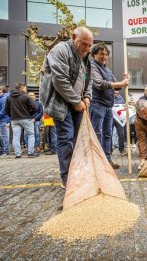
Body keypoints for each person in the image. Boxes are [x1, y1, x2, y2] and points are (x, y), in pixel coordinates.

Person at [39, 26, 93, 189]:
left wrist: (87, 96)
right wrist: (76, 101)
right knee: (66, 138)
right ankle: (68, 178)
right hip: (61, 104)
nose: (87, 48)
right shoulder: (60, 50)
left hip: (78, 104)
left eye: (90, 45)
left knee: (78, 140)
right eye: (84, 44)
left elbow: (87, 79)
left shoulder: (85, 56)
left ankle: (78, 173)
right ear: (73, 37)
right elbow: (60, 80)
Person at [90, 43, 130, 169]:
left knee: (107, 134)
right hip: (97, 105)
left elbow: (116, 85)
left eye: (106, 54)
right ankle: (96, 162)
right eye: (101, 54)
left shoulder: (107, 69)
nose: (104, 56)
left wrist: (126, 80)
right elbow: (100, 84)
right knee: (97, 134)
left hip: (108, 106)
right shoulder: (92, 67)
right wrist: (120, 83)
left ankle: (107, 160)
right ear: (94, 54)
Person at [5, 82, 37, 158]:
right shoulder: (26, 97)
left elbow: (6, 110)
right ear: (22, 88)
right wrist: (30, 114)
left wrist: (12, 115)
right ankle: (30, 153)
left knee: (16, 137)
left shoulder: (9, 97)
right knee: (31, 135)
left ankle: (18, 154)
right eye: (25, 88)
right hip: (26, 119)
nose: (26, 89)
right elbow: (35, 108)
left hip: (14, 120)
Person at [113, 90, 127, 156]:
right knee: (108, 134)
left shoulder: (121, 98)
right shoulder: (109, 97)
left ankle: (121, 150)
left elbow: (124, 107)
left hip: (119, 119)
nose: (116, 93)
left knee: (121, 134)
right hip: (111, 118)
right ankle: (109, 150)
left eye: (117, 92)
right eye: (115, 92)